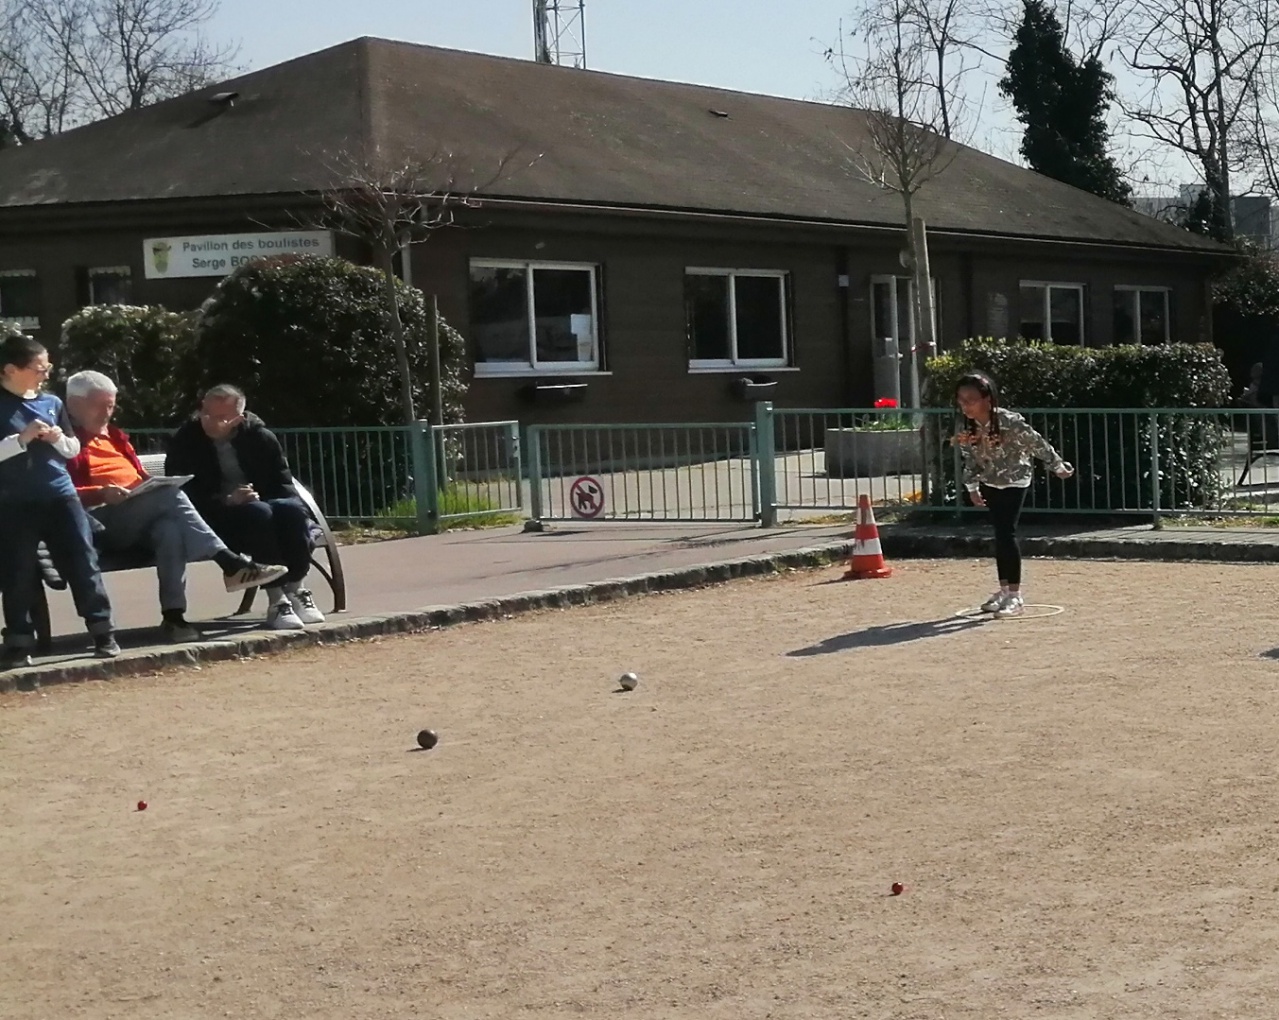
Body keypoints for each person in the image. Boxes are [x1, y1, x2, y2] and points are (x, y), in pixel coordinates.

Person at [63, 371, 289, 644]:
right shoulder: (64, 442)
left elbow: (137, 477)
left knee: (169, 529)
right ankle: (228, 561)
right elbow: (56, 494)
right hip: (97, 521)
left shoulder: (115, 436)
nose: (107, 412)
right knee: (170, 495)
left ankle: (174, 616)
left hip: (137, 514)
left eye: (111, 405)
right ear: (74, 404)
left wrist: (148, 486)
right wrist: (100, 492)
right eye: (99, 405)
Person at [0, 334, 117, 671]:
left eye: (46, 367)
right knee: (18, 570)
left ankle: (102, 631)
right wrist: (20, 439)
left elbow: (72, 450)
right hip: (14, 502)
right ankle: (19, 640)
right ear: (11, 369)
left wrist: (57, 438)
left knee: (82, 561)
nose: (44, 374)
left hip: (60, 496)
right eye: (39, 368)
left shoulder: (51, 402)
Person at [166, 385, 324, 630]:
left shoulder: (260, 437)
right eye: (205, 413)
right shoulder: (185, 440)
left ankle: (296, 589)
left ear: (238, 419)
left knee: (290, 511)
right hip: (213, 517)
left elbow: (283, 483)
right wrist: (227, 500)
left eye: (221, 418)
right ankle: (277, 601)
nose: (209, 422)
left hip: (264, 506)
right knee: (259, 513)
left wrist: (262, 497)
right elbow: (182, 493)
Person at [952, 370, 1073, 618]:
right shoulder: (967, 427)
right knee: (1000, 534)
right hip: (989, 481)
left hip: (1015, 480)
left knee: (1007, 532)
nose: (965, 405)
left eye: (971, 399)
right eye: (961, 400)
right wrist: (972, 487)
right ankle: (1004, 590)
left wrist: (1057, 465)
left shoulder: (1010, 421)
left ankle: (1015, 595)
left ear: (988, 399)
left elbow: (1036, 443)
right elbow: (970, 459)